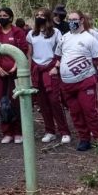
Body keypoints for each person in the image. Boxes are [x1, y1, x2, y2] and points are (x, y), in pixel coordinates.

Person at [53, 10, 98, 155]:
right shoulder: (64, 38)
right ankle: (84, 139)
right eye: (69, 19)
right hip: (67, 83)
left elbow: (97, 59)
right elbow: (58, 56)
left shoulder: (89, 38)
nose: (72, 22)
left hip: (85, 81)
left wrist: (86, 70)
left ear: (82, 20)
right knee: (75, 112)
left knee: (90, 111)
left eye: (75, 19)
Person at [27, 8, 70, 144]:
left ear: (48, 17)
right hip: (37, 70)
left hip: (51, 69)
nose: (40, 17)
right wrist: (29, 71)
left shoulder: (55, 32)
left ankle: (64, 131)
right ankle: (50, 130)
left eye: (42, 15)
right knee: (42, 103)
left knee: (54, 101)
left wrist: (57, 66)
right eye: (37, 15)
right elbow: (30, 54)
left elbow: (61, 51)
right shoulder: (31, 34)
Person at [0, 7, 29, 143]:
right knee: (2, 102)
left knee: (16, 101)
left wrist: (16, 65)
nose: (2, 17)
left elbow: (23, 50)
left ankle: (18, 132)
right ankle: (7, 132)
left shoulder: (18, 32)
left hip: (15, 72)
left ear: (11, 18)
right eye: (0, 15)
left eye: (5, 15)